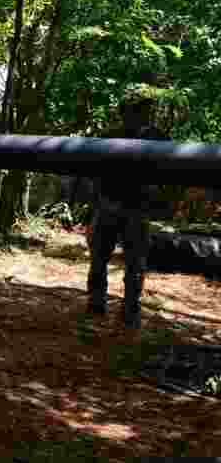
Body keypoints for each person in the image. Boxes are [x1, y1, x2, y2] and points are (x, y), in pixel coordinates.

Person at [86, 89, 169, 329]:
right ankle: (97, 302)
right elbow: (95, 172)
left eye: (142, 111)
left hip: (137, 208)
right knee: (100, 258)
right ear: (125, 114)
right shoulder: (110, 136)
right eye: (133, 111)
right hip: (110, 204)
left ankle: (130, 308)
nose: (138, 116)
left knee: (135, 262)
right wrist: (96, 206)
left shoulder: (158, 138)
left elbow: (168, 171)